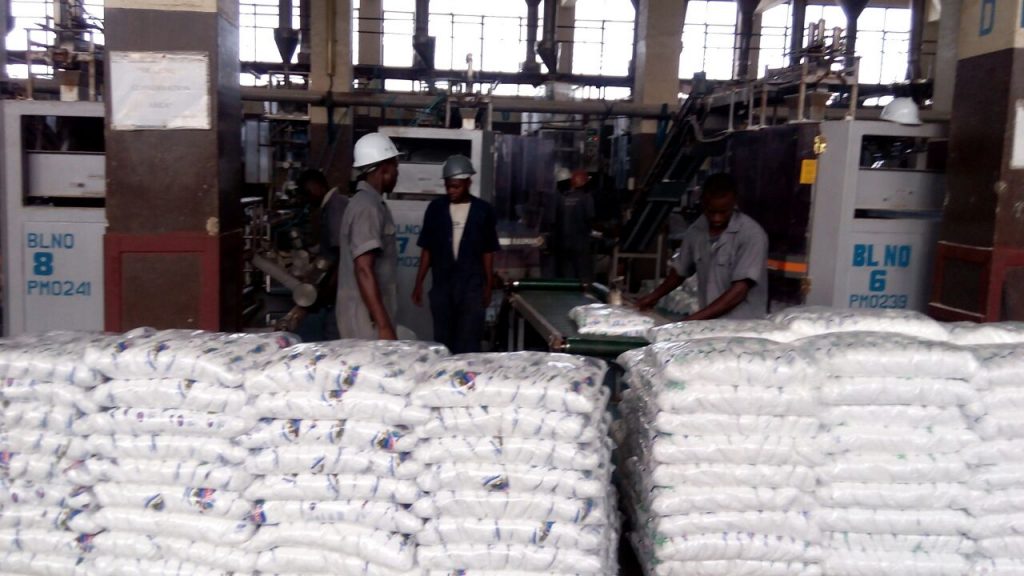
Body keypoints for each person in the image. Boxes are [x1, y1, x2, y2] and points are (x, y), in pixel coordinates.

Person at [636, 173, 768, 320]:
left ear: (734, 203)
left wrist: (693, 320)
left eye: (723, 212)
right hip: (709, 324)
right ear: (703, 202)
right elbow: (680, 271)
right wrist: (651, 298)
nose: (717, 218)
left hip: (741, 327)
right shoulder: (696, 231)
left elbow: (740, 291)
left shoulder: (751, 235)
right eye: (711, 211)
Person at [412, 154, 500, 353]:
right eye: (448, 186)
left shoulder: (483, 211)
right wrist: (418, 283)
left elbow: (488, 251)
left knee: (469, 342)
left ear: (468, 182)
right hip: (443, 287)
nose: (451, 191)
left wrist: (487, 286)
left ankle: (466, 381)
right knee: (444, 343)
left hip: (471, 289)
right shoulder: (435, 209)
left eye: (456, 186)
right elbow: (427, 248)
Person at [335, 132, 402, 340]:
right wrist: (383, 326)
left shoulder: (370, 203)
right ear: (384, 169)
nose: (397, 174)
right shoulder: (367, 208)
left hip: (369, 314)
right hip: (366, 319)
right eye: (395, 168)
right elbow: (363, 268)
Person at [281, 170, 348, 340]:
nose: (307, 200)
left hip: (338, 290)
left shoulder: (335, 207)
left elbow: (340, 255)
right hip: (334, 289)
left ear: (315, 187)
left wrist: (324, 293)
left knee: (330, 334)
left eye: (306, 193)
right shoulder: (332, 206)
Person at [554, 169, 596, 283]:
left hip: (564, 244)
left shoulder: (564, 198)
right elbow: (590, 219)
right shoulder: (586, 198)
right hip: (581, 244)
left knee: (568, 277)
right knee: (584, 277)